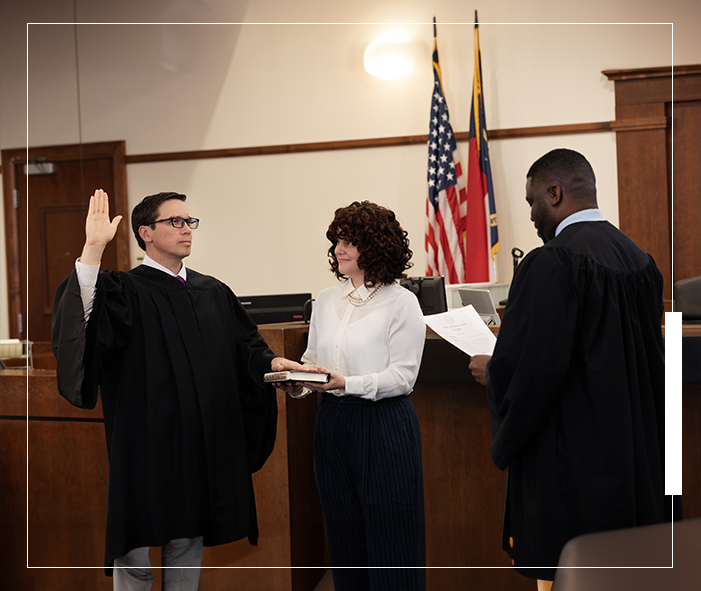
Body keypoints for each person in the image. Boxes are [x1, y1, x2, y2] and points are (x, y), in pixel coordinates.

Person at [51, 189, 308, 590]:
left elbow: (246, 347)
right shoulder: (124, 290)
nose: (187, 229)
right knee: (134, 551)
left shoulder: (213, 292)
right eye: (176, 221)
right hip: (144, 448)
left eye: (190, 221)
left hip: (196, 446)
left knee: (188, 541)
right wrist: (92, 250)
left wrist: (273, 363)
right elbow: (82, 322)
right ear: (146, 233)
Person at [469, 149, 667, 590]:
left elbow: (534, 371)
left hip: (576, 464)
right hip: (635, 455)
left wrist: (493, 371)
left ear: (554, 194)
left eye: (532, 201)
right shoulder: (640, 260)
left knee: (574, 574)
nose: (533, 216)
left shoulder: (552, 262)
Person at [281, 201, 427, 591]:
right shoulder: (327, 299)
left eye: (349, 241)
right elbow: (315, 361)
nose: (338, 249)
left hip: (384, 425)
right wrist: (297, 381)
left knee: (392, 541)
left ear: (375, 246)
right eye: (336, 241)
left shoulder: (401, 302)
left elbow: (403, 376)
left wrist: (346, 383)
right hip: (333, 423)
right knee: (344, 537)